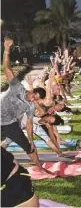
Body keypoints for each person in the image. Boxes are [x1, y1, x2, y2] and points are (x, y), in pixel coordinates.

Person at [0, 38, 43, 168]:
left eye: (35, 99)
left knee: (28, 147)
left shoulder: (30, 106)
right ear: (32, 90)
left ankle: (39, 166)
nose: (32, 98)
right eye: (34, 94)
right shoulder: (17, 87)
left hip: (10, 124)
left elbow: (29, 125)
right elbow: (7, 68)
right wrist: (7, 49)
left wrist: (31, 141)